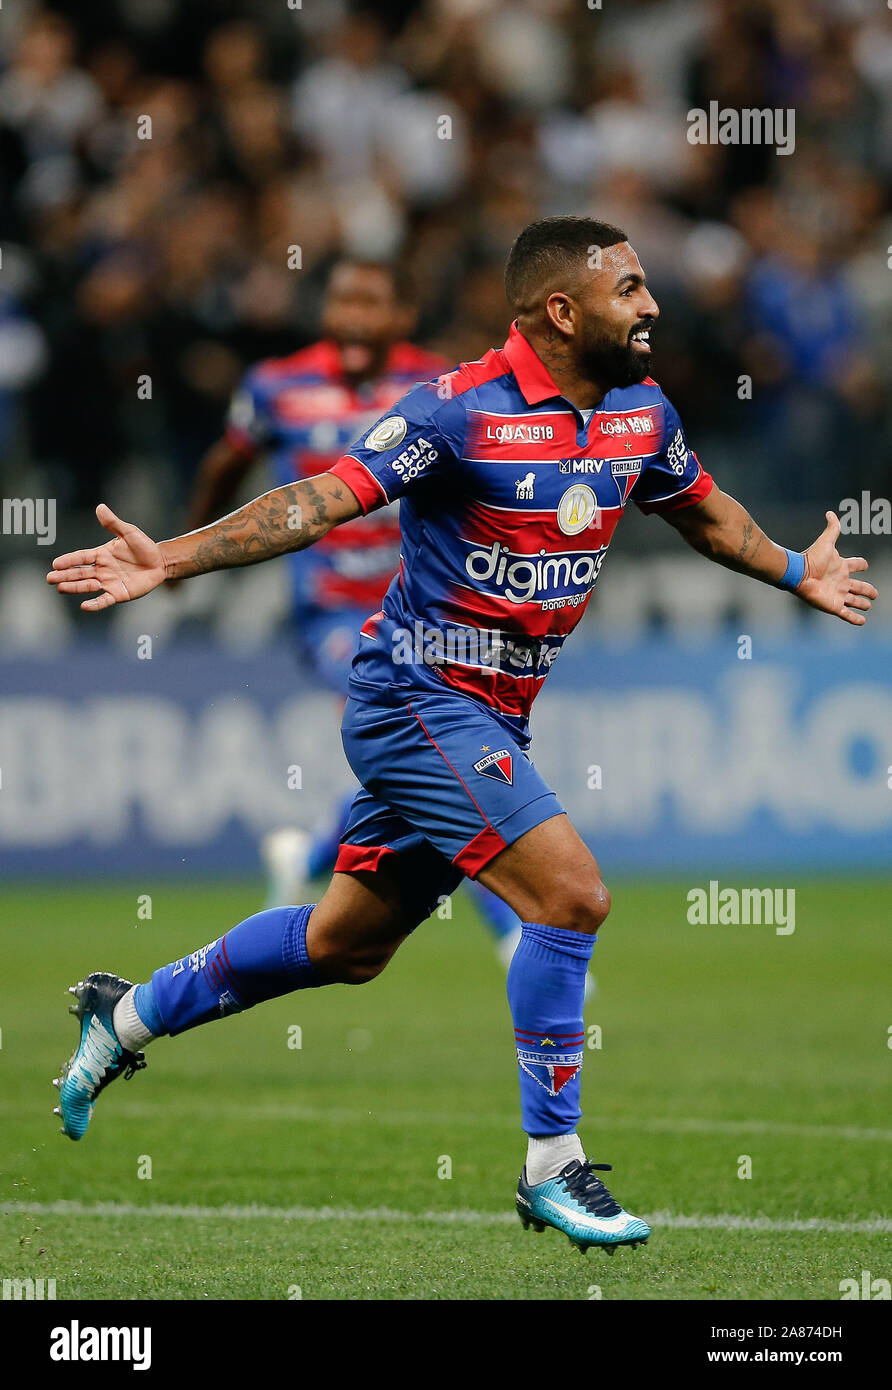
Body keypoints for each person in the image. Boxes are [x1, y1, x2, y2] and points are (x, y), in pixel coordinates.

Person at [48, 216, 876, 1254]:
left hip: (492, 714)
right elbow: (319, 500)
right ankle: (552, 1165)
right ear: (562, 310)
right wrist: (172, 557)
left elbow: (704, 513)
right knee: (570, 894)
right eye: (629, 289)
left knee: (345, 946)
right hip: (414, 699)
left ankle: (125, 1015)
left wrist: (797, 571)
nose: (652, 306)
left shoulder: (639, 412)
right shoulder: (455, 411)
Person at [187, 256, 522, 955]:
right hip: (335, 612)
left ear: (403, 316)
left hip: (429, 610)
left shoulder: (442, 387)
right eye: (343, 302)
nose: (354, 318)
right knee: (439, 739)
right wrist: (186, 553)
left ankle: (310, 851)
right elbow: (227, 463)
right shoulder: (276, 386)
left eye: (371, 303)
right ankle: (511, 931)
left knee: (432, 753)